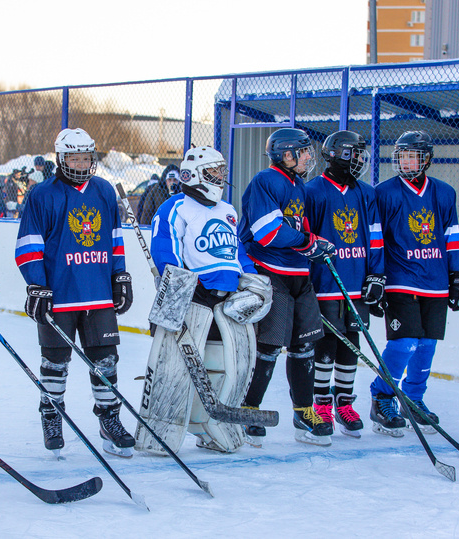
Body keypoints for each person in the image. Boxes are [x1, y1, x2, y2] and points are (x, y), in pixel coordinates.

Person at [14, 127, 135, 458]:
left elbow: (114, 237)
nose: (81, 163)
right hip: (60, 295)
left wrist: (120, 274)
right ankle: (51, 415)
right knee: (55, 363)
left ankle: (109, 420)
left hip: (97, 294)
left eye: (86, 157)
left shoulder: (104, 191)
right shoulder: (42, 195)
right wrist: (37, 284)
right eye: (73, 157)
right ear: (60, 158)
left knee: (106, 362)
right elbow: (28, 245)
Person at [143, 146, 272, 453]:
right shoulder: (175, 208)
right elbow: (166, 251)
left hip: (228, 303)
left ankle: (214, 429)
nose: (221, 177)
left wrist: (252, 280)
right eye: (215, 172)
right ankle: (162, 431)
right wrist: (177, 293)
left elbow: (237, 252)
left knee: (230, 368)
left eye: (222, 171)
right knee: (175, 370)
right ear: (195, 175)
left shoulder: (227, 210)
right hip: (194, 298)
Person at [237, 127, 337, 447]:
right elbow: (268, 232)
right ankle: (249, 409)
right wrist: (307, 242)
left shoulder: (299, 185)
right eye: (304, 151)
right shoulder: (265, 182)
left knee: (304, 346)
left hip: (299, 276)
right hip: (270, 274)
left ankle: (303, 411)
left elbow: (300, 226)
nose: (310, 156)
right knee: (268, 347)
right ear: (286, 154)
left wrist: (315, 246)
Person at [368, 131, 459, 436]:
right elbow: (375, 239)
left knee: (426, 345)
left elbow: (451, 236)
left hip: (436, 281)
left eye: (412, 156)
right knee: (405, 343)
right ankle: (382, 397)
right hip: (401, 280)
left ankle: (414, 399)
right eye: (402, 156)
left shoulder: (444, 192)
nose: (406, 161)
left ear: (426, 160)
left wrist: (457, 275)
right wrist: (376, 275)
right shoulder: (383, 193)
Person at [304, 131, 384, 438]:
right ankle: (321, 402)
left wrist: (377, 275)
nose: (360, 160)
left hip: (356, 281)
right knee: (325, 343)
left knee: (352, 341)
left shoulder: (367, 193)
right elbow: (306, 239)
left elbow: (375, 236)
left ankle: (344, 402)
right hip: (326, 283)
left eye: (362, 154)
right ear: (335, 155)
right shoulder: (313, 191)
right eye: (354, 153)